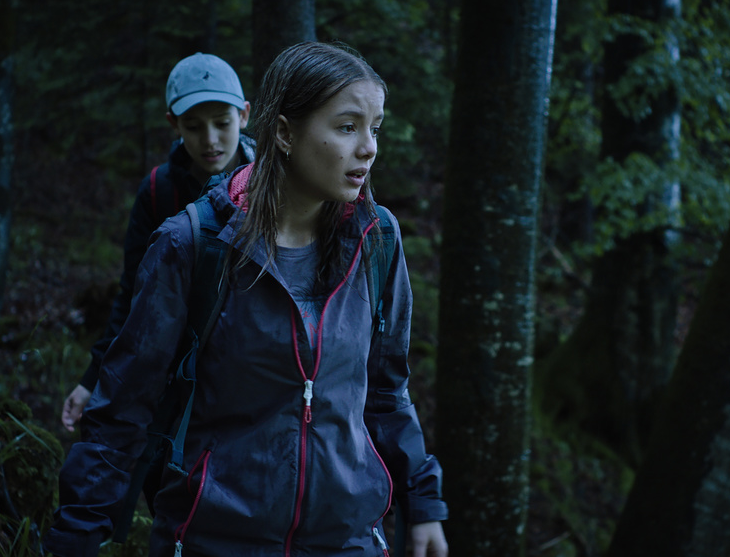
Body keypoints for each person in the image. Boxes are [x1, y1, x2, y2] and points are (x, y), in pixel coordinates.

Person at [45, 41, 449, 556]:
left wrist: (422, 502)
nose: (369, 148)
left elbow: (387, 392)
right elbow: (123, 409)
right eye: (348, 127)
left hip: (347, 540)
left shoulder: (377, 239)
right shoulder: (192, 244)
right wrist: (76, 533)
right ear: (284, 133)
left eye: (376, 128)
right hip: (215, 538)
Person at [61, 52, 255, 432]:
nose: (210, 140)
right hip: (176, 374)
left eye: (222, 123)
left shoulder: (274, 185)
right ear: (173, 123)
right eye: (194, 126)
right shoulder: (157, 191)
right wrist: (92, 379)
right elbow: (134, 294)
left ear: (244, 115)